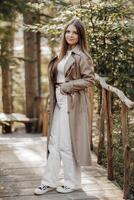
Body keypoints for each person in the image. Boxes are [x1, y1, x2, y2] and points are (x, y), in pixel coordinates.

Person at [34, 18, 95, 195]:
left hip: (72, 103)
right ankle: (49, 181)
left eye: (75, 32)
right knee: (54, 143)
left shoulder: (82, 56)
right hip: (58, 103)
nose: (70, 35)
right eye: (68, 31)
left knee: (67, 144)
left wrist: (66, 87)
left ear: (80, 35)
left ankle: (73, 182)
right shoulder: (62, 54)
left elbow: (89, 80)